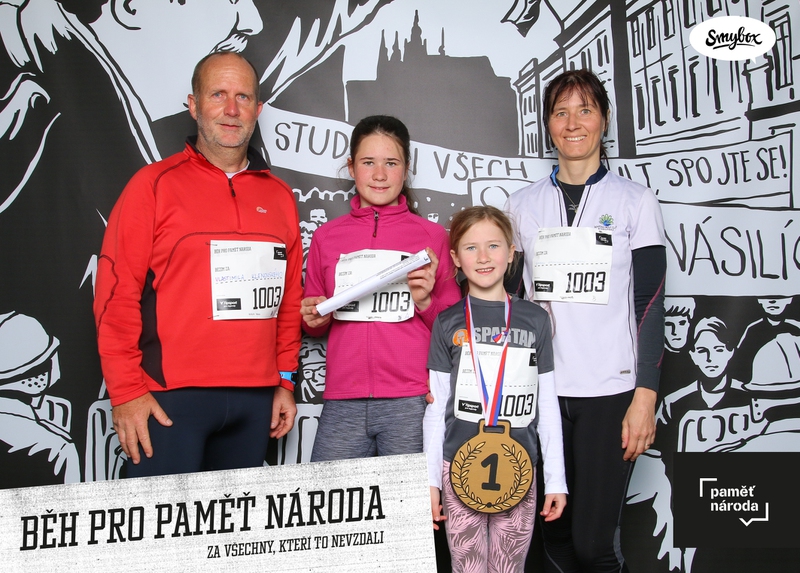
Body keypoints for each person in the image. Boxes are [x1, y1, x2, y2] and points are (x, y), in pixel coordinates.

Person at [93, 52, 302, 476]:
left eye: (243, 97)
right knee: (156, 520)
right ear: (193, 105)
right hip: (169, 399)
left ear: (258, 109)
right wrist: (126, 391)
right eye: (218, 95)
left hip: (255, 401)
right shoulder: (152, 185)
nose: (232, 109)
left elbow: (288, 303)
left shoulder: (280, 196)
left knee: (234, 522)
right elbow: (116, 295)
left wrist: (284, 382)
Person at [504, 69, 666, 572]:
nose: (573, 123)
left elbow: (650, 302)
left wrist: (645, 396)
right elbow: (508, 301)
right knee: (553, 538)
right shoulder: (520, 206)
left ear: (604, 119)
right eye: (561, 112)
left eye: (585, 110)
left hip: (610, 392)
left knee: (594, 545)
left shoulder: (635, 201)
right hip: (541, 394)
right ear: (547, 125)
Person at [300, 115, 461, 461]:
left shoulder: (431, 237)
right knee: (330, 494)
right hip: (343, 397)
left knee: (410, 496)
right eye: (368, 162)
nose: (379, 174)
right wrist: (314, 318)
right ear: (351, 167)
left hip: (410, 398)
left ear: (406, 169)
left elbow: (454, 330)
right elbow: (313, 321)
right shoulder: (326, 237)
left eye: (391, 163)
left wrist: (425, 301)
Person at [423, 206, 567, 572]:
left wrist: (556, 481)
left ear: (511, 252)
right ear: (456, 258)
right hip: (458, 464)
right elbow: (436, 409)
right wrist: (431, 482)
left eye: (493, 246)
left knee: (508, 567)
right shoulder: (447, 322)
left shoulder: (536, 319)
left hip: (520, 465)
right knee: (467, 567)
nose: (484, 257)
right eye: (471, 248)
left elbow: (547, 405)